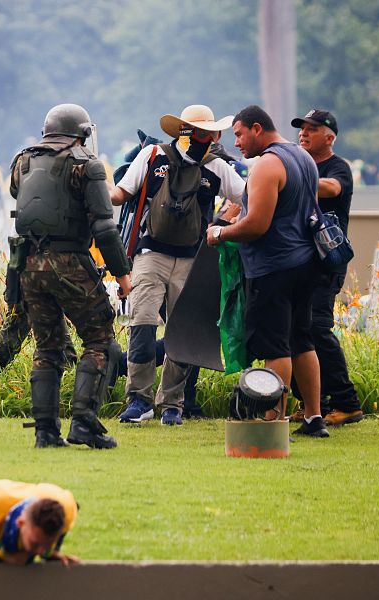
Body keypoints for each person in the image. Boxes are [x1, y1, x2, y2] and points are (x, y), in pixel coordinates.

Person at [111, 105, 244, 426]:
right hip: (150, 254)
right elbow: (120, 194)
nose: (207, 136)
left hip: (193, 259)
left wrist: (223, 225)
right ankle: (138, 400)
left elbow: (248, 195)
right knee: (142, 325)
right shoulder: (153, 155)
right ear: (186, 131)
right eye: (203, 131)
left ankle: (173, 403)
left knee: (183, 332)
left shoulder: (218, 167)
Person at [12, 103, 132, 449]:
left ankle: (45, 431)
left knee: (47, 346)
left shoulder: (22, 161)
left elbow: (17, 195)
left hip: (29, 265)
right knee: (99, 339)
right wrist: (123, 276)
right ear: (82, 133)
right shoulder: (87, 165)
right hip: (70, 262)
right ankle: (84, 423)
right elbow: (105, 230)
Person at [206, 104, 329, 438]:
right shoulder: (303, 158)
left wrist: (220, 232)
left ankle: (274, 421)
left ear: (257, 128)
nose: (238, 143)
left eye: (240, 134)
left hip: (274, 267)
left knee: (276, 348)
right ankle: (314, 417)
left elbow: (257, 225)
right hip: (305, 264)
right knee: (302, 341)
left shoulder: (267, 165)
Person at [290, 109, 363, 426]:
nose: (303, 133)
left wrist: (290, 178)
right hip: (298, 262)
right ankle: (314, 405)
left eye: (312, 129)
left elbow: (332, 189)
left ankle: (346, 403)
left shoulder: (338, 168)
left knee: (317, 328)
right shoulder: (299, 163)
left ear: (330, 136)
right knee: (294, 331)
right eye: (302, 129)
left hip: (326, 264)